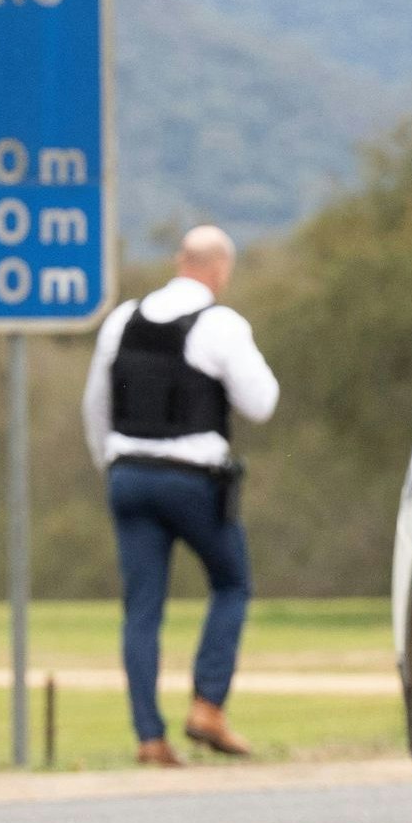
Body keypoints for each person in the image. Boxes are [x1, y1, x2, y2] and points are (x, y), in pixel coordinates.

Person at [84, 225, 283, 767]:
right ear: (221, 269)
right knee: (232, 584)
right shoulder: (221, 325)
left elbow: (96, 405)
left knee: (142, 608)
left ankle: (149, 737)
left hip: (128, 475)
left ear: (179, 261)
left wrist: (113, 464)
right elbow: (261, 402)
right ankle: (207, 707)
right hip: (194, 481)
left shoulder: (121, 320)